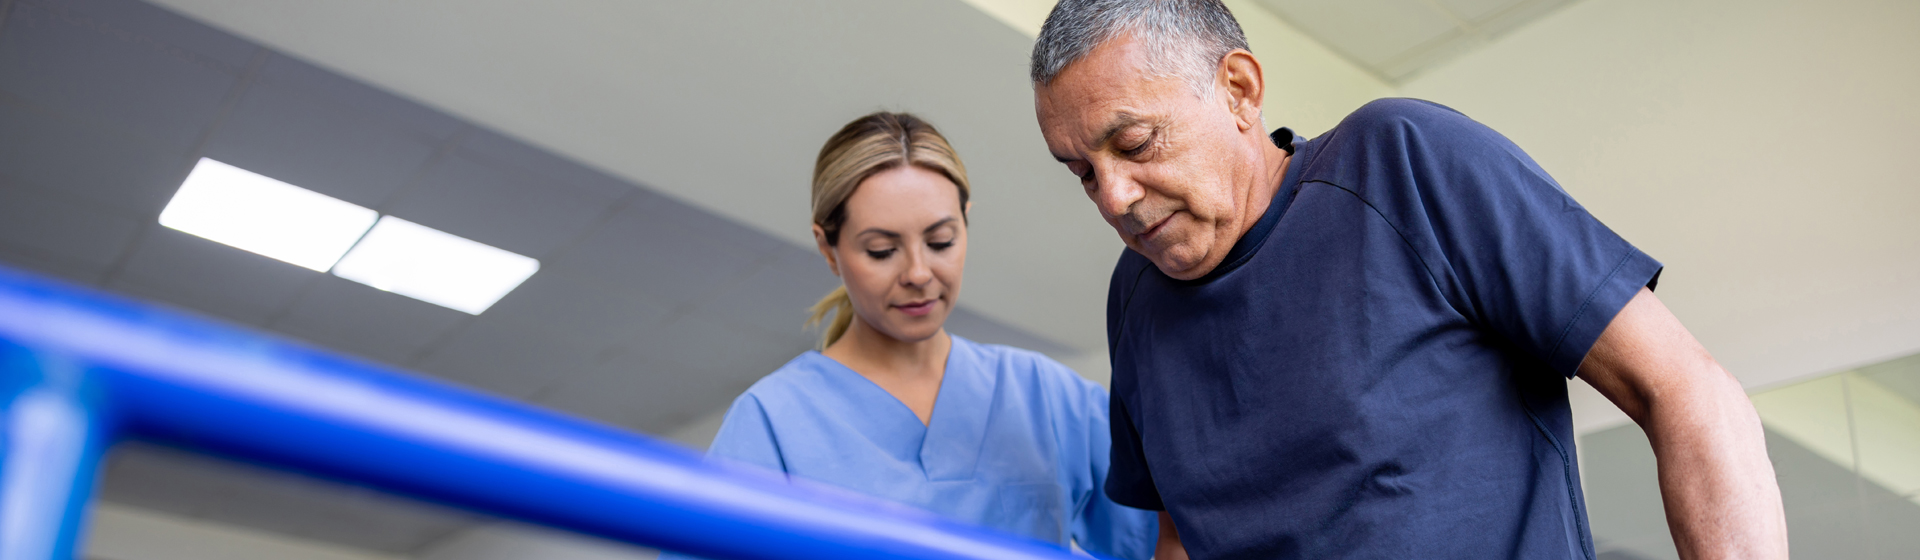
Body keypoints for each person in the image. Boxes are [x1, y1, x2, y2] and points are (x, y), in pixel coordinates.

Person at [1028, 1, 1789, 559]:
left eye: (1134, 143)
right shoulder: (1133, 297)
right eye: (1081, 174)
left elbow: (1685, 389)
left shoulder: (1402, 164)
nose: (1114, 197)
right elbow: (1178, 540)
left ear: (1238, 90)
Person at [684, 112, 1161, 558]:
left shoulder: (1042, 396)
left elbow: (1171, 536)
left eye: (940, 242)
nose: (917, 272)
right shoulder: (772, 423)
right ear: (828, 249)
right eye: (881, 250)